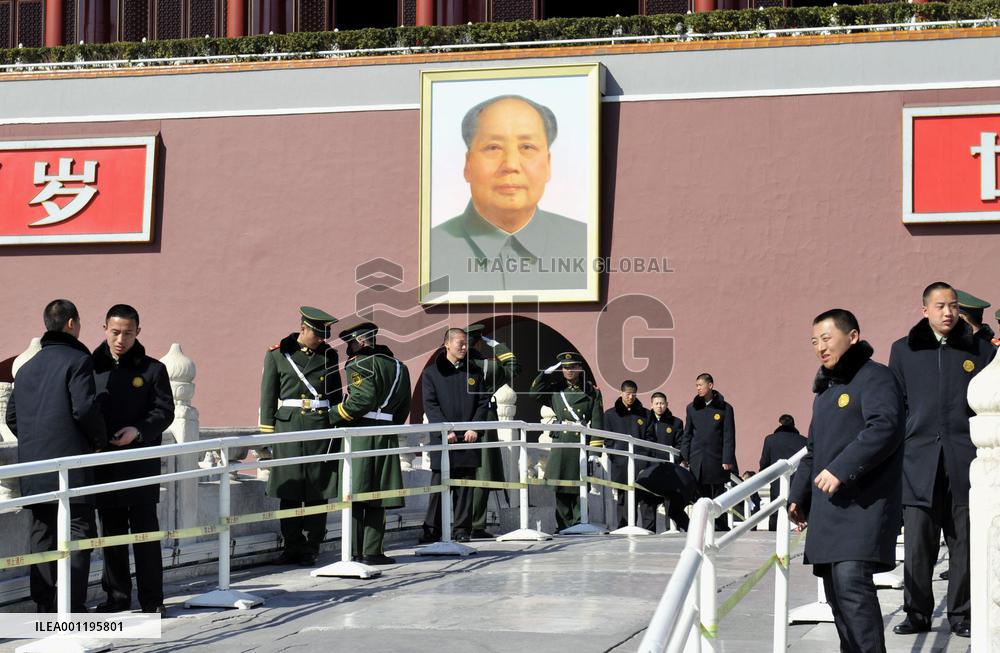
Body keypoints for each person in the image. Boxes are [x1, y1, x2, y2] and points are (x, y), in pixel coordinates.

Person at [789, 308, 904, 653]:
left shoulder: (875, 377)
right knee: (837, 594)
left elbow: (885, 426)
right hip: (828, 510)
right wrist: (799, 495)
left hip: (863, 504)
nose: (820, 347)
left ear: (852, 336)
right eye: (814, 341)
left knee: (852, 584)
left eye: (826, 338)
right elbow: (812, 450)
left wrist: (841, 469)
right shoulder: (825, 394)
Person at [888, 282, 995, 638]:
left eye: (952, 306)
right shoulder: (903, 351)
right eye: (939, 306)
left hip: (965, 458)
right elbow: (897, 407)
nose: (947, 312)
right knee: (919, 542)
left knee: (963, 540)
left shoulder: (980, 350)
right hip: (918, 460)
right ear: (925, 311)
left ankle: (961, 614)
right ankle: (916, 612)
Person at [5, 299, 107, 613]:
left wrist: (36, 443)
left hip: (34, 466)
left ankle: (45, 605)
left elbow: (11, 417)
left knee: (43, 532)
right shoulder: (78, 360)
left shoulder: (25, 367)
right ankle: (72, 605)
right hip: (72, 465)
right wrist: (99, 440)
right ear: (72, 323)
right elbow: (84, 408)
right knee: (78, 531)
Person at [428, 95, 588, 292]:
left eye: (527, 147)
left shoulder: (586, 246)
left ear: (548, 164)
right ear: (468, 165)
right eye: (493, 148)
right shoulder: (428, 252)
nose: (511, 165)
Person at [92, 304, 174, 614]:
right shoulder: (90, 367)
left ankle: (152, 600)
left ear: (138, 332)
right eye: (115, 332)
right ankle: (116, 598)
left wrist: (138, 431)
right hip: (103, 464)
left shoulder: (153, 369)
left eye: (127, 333)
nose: (120, 339)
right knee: (111, 536)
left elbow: (165, 411)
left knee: (146, 535)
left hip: (140, 464)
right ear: (104, 329)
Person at [258, 307, 342, 566]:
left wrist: (337, 426)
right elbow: (268, 394)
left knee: (319, 487)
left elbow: (335, 394)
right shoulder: (278, 354)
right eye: (317, 334)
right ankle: (292, 544)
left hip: (319, 425)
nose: (321, 339)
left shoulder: (328, 355)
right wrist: (267, 431)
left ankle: (313, 544)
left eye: (324, 335)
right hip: (290, 426)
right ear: (303, 328)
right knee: (290, 487)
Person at [329, 322, 411, 565]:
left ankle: (355, 551)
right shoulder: (399, 366)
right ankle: (373, 551)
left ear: (361, 342)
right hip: (386, 434)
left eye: (351, 343)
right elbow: (404, 406)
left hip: (361, 434)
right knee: (378, 495)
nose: (349, 349)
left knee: (354, 493)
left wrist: (332, 415)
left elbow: (362, 399)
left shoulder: (359, 363)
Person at [420, 328, 490, 543]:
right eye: (460, 343)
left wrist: (475, 428)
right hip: (443, 438)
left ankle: (462, 529)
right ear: (447, 344)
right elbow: (430, 406)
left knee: (465, 486)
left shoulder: (475, 373)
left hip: (468, 438)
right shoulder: (432, 373)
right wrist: (445, 431)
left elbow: (482, 403)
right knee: (439, 486)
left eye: (466, 343)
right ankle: (432, 529)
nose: (464, 347)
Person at [529, 352, 604, 532]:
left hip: (579, 442)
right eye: (564, 367)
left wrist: (594, 453)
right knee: (560, 486)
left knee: (579, 487)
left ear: (579, 368)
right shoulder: (556, 389)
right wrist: (545, 374)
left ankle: (579, 523)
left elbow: (598, 422)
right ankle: (563, 525)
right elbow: (533, 393)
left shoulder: (591, 391)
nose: (568, 371)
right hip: (562, 441)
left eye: (572, 367)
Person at [465, 323, 520, 539]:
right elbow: (514, 366)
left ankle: (463, 523)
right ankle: (476, 524)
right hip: (484, 422)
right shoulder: (487, 367)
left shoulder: (456, 366)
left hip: (459, 421)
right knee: (483, 473)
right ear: (479, 342)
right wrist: (498, 346)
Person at [680, 373, 736, 531]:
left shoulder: (725, 408)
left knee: (718, 495)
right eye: (696, 385)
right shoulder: (692, 408)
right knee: (699, 496)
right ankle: (701, 527)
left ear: (710, 385)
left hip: (717, 459)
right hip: (697, 459)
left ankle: (720, 526)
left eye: (700, 385)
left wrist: (727, 458)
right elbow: (688, 433)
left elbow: (729, 436)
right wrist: (684, 455)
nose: (698, 388)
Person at [603, 380, 649, 529]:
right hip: (620, 461)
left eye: (633, 394)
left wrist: (644, 457)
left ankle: (644, 527)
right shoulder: (610, 414)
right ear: (621, 393)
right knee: (622, 496)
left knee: (642, 496)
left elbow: (649, 438)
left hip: (640, 461)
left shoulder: (645, 414)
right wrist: (615, 454)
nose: (630, 397)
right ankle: (623, 526)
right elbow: (607, 438)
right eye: (628, 394)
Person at [638, 391, 685, 531]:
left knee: (669, 501)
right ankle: (648, 531)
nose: (660, 406)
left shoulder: (676, 423)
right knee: (648, 502)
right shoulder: (646, 421)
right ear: (651, 405)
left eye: (662, 403)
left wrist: (675, 461)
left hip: (669, 470)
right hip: (650, 469)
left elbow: (680, 444)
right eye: (657, 403)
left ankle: (671, 530)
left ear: (667, 404)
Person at [758, 414, 807, 531]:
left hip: (777, 484)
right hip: (799, 484)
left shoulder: (770, 440)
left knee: (776, 514)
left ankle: (773, 542)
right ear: (793, 425)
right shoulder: (804, 441)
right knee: (799, 515)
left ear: (779, 424)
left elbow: (764, 463)